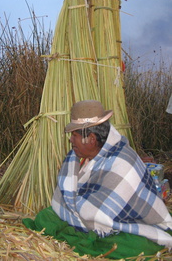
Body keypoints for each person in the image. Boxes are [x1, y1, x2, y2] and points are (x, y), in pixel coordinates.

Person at [51, 100, 172, 248]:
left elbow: (101, 213)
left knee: (130, 246)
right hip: (99, 215)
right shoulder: (83, 156)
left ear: (91, 139)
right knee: (46, 216)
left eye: (74, 135)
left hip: (132, 220)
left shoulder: (122, 163)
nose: (71, 140)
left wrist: (78, 210)